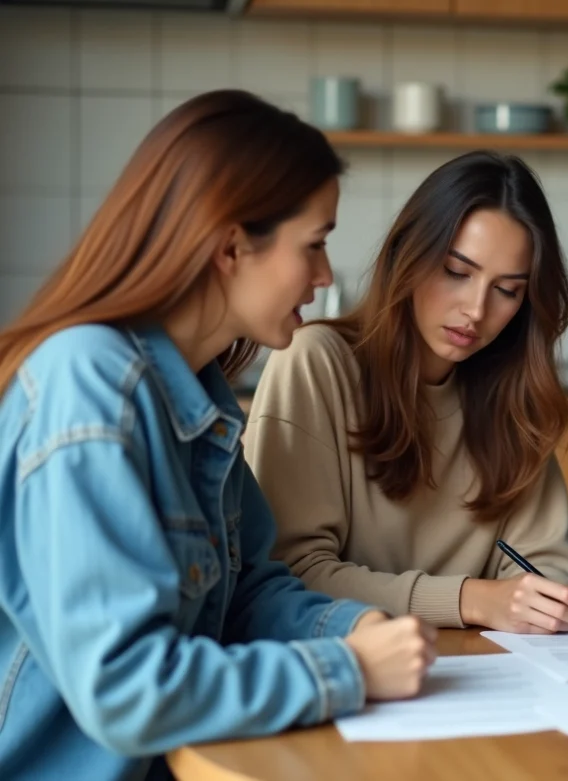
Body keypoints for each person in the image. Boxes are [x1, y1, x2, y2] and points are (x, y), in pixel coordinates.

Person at [0, 91, 437, 781]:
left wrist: (350, 627)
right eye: (315, 244)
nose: (326, 276)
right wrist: (346, 669)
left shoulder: (196, 394)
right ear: (232, 244)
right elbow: (125, 687)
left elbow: (244, 591)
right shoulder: (87, 385)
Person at [244, 151, 568, 635]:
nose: (475, 309)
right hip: (351, 668)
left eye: (507, 290)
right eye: (456, 271)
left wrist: (541, 602)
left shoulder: (515, 398)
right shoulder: (316, 361)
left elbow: (551, 576)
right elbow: (287, 574)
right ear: (409, 254)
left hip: (487, 676)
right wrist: (471, 599)